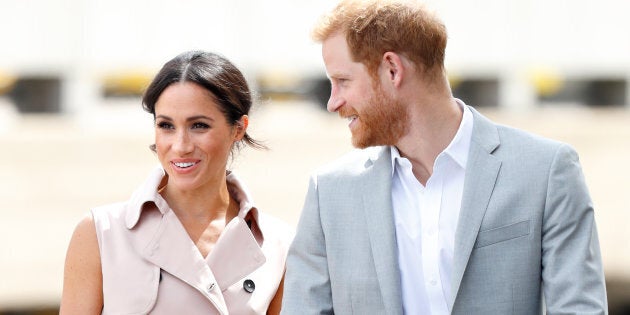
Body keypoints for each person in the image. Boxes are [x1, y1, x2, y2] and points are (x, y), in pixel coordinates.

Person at [281, 1, 608, 314]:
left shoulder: (545, 171)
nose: (333, 102)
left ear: (392, 69)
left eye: (342, 81)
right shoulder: (329, 194)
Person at [61, 50, 293, 314]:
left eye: (199, 126)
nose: (180, 146)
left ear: (238, 129)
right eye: (166, 126)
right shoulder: (100, 233)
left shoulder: (278, 244)